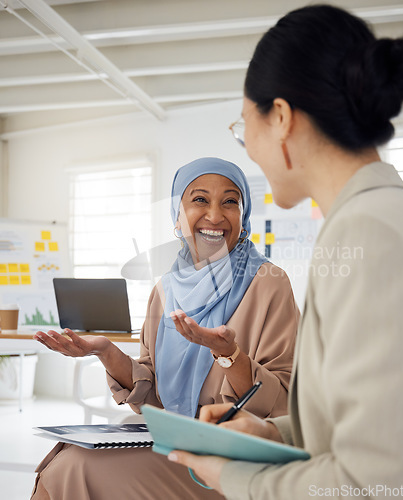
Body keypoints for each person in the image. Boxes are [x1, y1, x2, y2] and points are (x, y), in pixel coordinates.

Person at [168, 5, 403, 499]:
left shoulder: (368, 240)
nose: (248, 147)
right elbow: (379, 422)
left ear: (280, 118)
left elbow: (382, 482)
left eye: (242, 127)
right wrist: (274, 433)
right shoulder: (393, 223)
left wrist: (232, 477)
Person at [31, 157, 300, 499]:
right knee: (67, 458)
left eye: (230, 201)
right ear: (177, 217)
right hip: (172, 441)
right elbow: (152, 395)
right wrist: (106, 351)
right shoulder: (167, 287)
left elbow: (284, 403)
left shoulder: (268, 283)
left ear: (244, 219)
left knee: (75, 469)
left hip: (234, 460)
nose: (215, 215)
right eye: (200, 199)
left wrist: (227, 354)